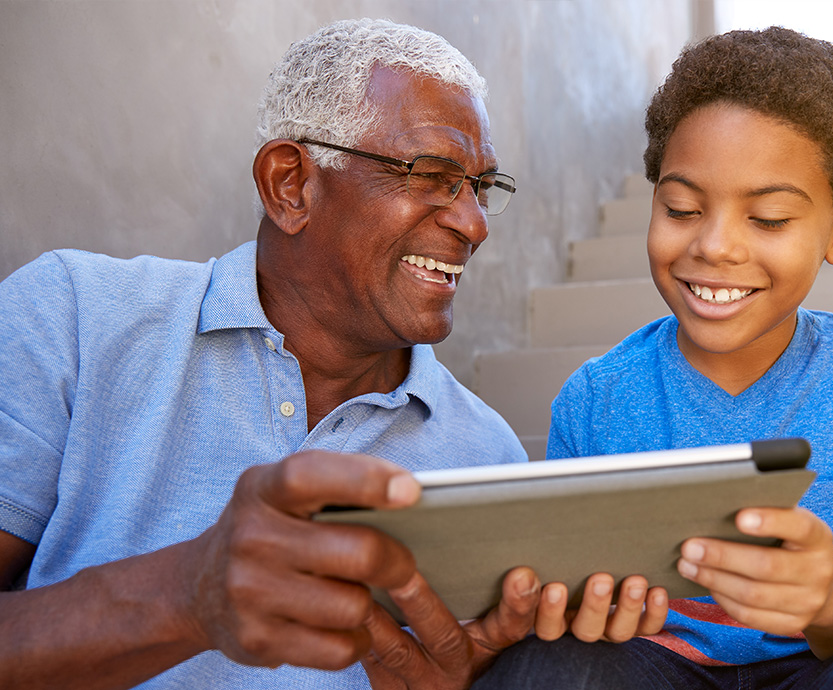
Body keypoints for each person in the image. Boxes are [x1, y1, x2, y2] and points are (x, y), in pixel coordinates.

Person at [0, 18, 664, 690]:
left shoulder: (488, 457)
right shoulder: (74, 318)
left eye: (481, 186)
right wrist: (185, 594)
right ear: (290, 185)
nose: (474, 224)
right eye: (432, 176)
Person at [473, 27, 833, 689]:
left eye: (769, 218)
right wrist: (578, 615)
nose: (715, 245)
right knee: (542, 669)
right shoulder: (595, 398)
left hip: (818, 670)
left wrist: (829, 597)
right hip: (653, 668)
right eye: (681, 208)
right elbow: (572, 600)